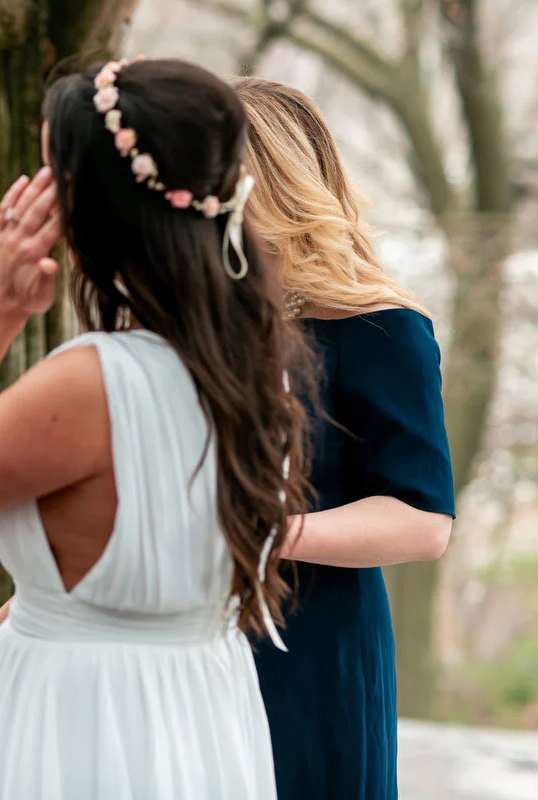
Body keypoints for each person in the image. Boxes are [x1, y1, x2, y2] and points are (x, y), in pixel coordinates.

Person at [0, 58, 314, 798]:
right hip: (201, 709)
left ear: (85, 206)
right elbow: (103, 590)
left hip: (85, 720)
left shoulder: (94, 380)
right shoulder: (251, 368)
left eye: (53, 174)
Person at [233, 77, 456, 800]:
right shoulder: (210, 328)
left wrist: (262, 532)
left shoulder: (382, 330)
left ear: (266, 182)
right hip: (188, 644)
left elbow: (423, 522)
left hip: (313, 650)